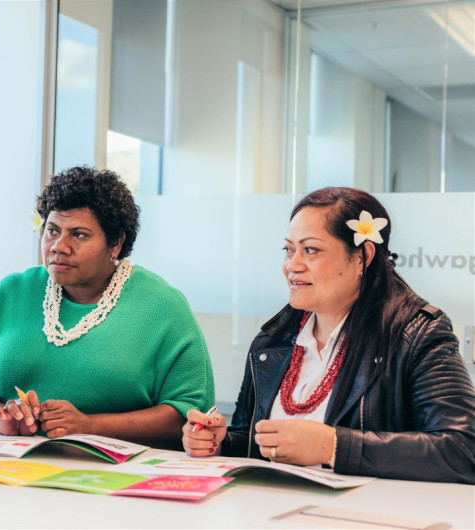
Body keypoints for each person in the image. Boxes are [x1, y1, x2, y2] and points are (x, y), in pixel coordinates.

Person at [183, 187, 475, 484]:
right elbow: (252, 441)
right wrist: (219, 442)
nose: (293, 265)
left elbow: (463, 450)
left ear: (362, 257)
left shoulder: (416, 334)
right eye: (288, 249)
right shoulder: (273, 341)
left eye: (311, 250)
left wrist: (333, 446)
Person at [0, 166, 214, 448]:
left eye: (79, 234)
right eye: (52, 230)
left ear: (116, 243)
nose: (59, 246)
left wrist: (88, 426)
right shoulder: (10, 293)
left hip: (121, 477)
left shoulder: (163, 305)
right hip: (11, 468)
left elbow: (190, 414)